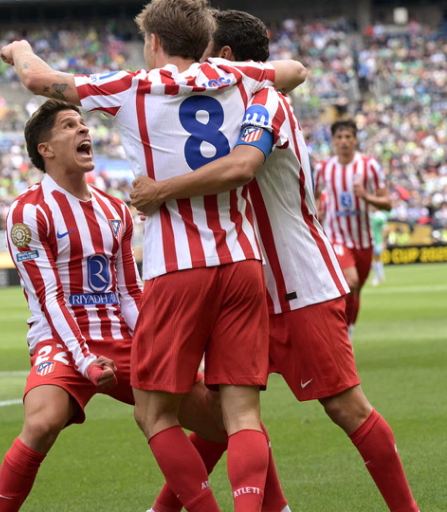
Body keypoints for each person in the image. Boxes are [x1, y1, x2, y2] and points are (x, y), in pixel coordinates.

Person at [0, 1, 306, 509]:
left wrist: (19, 49)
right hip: (243, 260)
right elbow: (294, 71)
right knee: (241, 413)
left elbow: (38, 80)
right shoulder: (238, 76)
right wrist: (240, 71)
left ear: (156, 42)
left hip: (178, 268)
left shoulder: (133, 88)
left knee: (155, 414)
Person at [131, 9, 419, 512]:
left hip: (299, 284)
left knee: (346, 407)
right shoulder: (220, 100)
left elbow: (242, 167)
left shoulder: (266, 101)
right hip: (244, 289)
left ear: (223, 57)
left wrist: (161, 191)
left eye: (204, 53)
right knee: (228, 417)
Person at [0, 98, 235, 512]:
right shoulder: (28, 212)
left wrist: (153, 343)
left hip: (121, 340)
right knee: (42, 422)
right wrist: (84, 359)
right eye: (69, 126)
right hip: (62, 342)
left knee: (221, 424)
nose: (84, 130)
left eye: (83, 124)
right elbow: (48, 297)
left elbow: (129, 292)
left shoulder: (114, 210)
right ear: (45, 150)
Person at [314, 119, 391, 338]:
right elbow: (316, 197)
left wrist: (366, 196)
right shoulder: (324, 169)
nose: (344, 141)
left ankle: (348, 332)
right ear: (333, 141)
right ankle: (340, 335)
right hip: (336, 237)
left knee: (355, 289)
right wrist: (318, 212)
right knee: (351, 281)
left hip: (363, 240)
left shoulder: (369, 166)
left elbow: (387, 203)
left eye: (348, 137)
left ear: (355, 139)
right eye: (339, 137)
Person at [370, 207, 389, 285]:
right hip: (370, 241)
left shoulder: (380, 216)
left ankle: (377, 277)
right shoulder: (369, 215)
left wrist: (384, 242)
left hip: (377, 241)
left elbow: (384, 230)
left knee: (376, 259)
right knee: (375, 260)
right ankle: (380, 275)